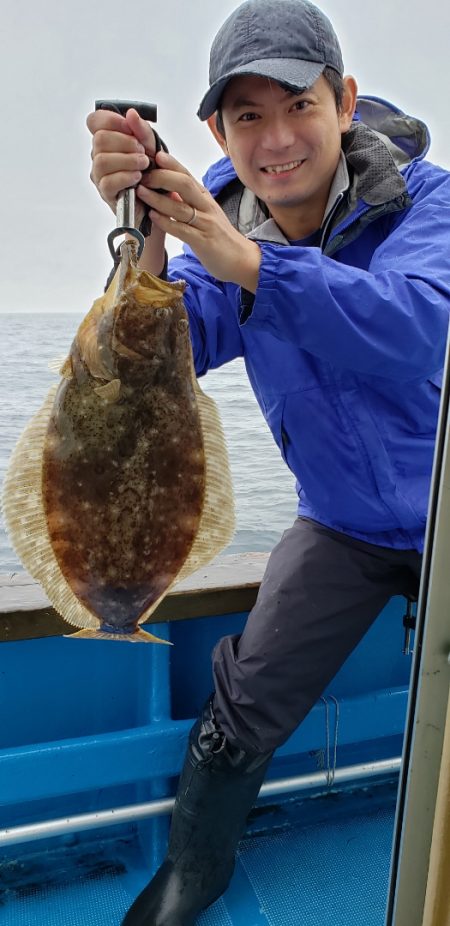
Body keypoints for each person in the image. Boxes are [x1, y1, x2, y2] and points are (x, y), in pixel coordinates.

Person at [87, 1, 450, 923]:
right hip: (339, 523)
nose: (277, 137)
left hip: (445, 503)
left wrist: (248, 258)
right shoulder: (220, 228)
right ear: (218, 130)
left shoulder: (426, 200)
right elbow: (168, 351)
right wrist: (149, 241)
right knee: (246, 692)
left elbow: (414, 328)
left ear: (346, 101)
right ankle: (192, 873)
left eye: (298, 104)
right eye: (248, 115)